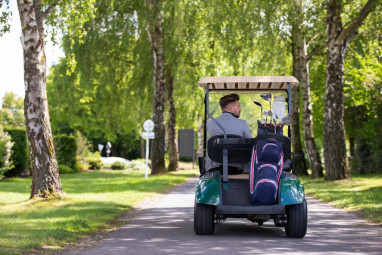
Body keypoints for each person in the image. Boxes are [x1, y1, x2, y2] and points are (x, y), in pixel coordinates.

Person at [205, 93, 252, 173]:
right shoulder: (242, 124)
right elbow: (250, 144)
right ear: (231, 108)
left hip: (214, 167)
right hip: (238, 167)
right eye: (238, 106)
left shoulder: (210, 123)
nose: (240, 109)